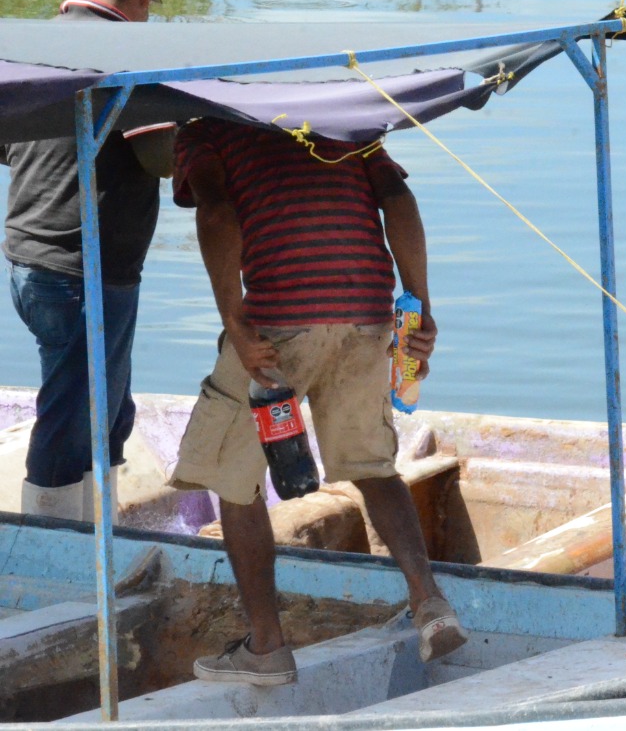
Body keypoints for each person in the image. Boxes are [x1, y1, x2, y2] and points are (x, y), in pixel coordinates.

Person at [168, 117, 464, 685]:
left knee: (236, 481)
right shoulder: (340, 117)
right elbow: (398, 197)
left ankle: (266, 647)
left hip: (279, 316)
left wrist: (235, 318)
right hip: (367, 311)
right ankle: (430, 604)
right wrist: (419, 304)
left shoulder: (203, 127)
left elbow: (216, 212)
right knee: (374, 468)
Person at [2, 0, 173, 521]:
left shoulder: (30, 45)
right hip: (86, 268)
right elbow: (161, 159)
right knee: (76, 412)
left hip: (28, 259)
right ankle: (53, 550)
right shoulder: (128, 56)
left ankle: (98, 534)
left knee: (106, 408)